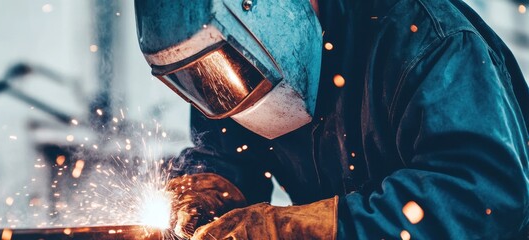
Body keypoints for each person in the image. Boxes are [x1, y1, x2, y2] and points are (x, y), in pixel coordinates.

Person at [135, 0, 529, 239]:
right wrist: (206, 190)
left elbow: (482, 200)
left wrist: (312, 231)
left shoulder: (427, 40)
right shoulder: (226, 61)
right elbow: (227, 151)